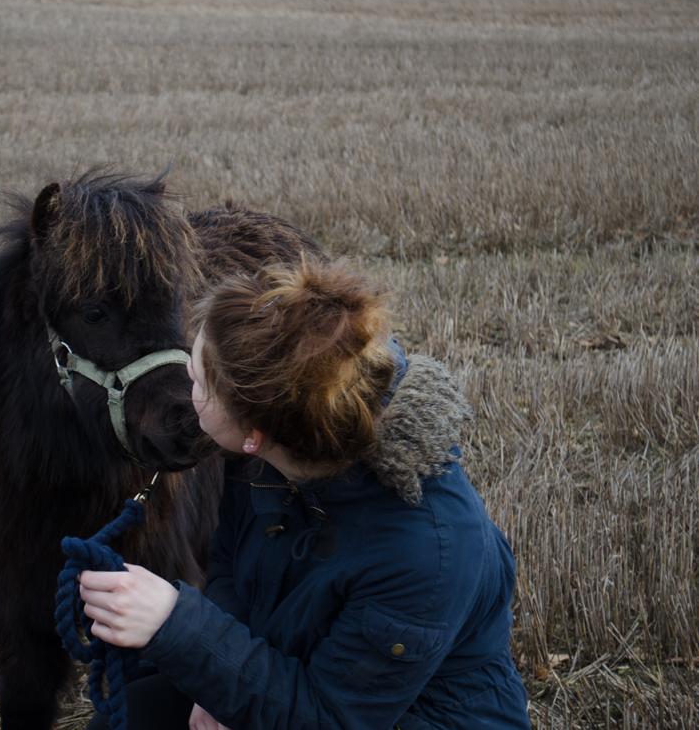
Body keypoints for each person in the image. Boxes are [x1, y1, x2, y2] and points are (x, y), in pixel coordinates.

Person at [79, 257, 530, 729]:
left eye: (196, 381)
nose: (185, 387)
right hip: (293, 671)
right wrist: (213, 682)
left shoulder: (424, 555)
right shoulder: (271, 443)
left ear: (253, 431)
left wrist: (180, 628)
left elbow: (330, 718)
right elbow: (229, 562)